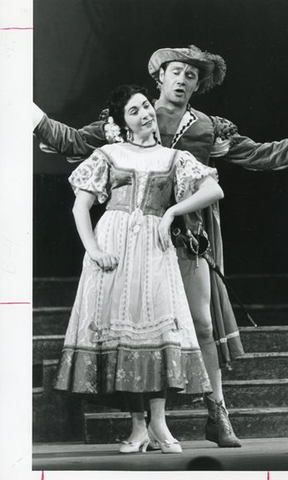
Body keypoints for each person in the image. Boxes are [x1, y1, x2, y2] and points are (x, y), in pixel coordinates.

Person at [33, 45, 288, 449]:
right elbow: (75, 141)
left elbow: (257, 155)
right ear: (159, 77)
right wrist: (30, 114)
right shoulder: (130, 117)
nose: (183, 81)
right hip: (132, 243)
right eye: (177, 72)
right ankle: (142, 424)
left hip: (187, 239)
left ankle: (217, 414)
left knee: (201, 324)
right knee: (137, 329)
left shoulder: (208, 128)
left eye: (192, 76)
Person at [53, 84, 225, 454]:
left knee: (157, 330)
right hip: (113, 247)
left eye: (146, 106)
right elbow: (80, 207)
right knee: (122, 334)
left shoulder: (173, 157)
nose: (145, 114)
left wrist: (172, 212)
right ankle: (138, 429)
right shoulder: (108, 154)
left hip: (155, 247)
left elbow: (213, 190)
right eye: (134, 111)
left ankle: (160, 425)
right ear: (122, 122)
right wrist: (94, 250)